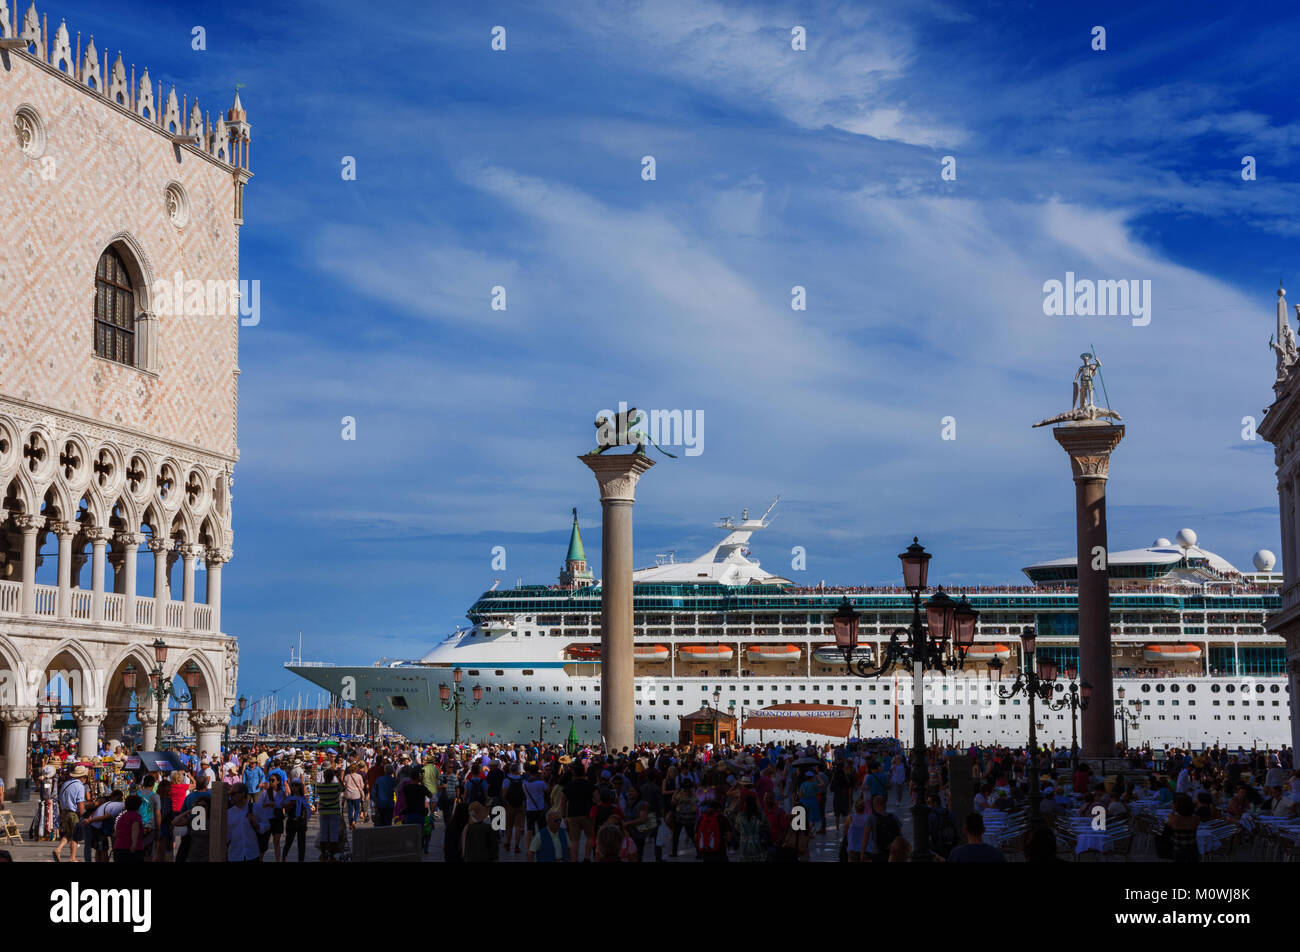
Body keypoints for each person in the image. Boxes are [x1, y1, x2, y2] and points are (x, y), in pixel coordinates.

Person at [53, 764, 89, 863]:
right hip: (73, 813)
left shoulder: (66, 784)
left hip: (64, 812)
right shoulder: (80, 786)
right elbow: (80, 803)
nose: (86, 779)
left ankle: (58, 849)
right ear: (81, 777)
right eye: (85, 777)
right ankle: (72, 858)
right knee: (75, 836)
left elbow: (59, 799)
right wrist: (84, 816)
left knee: (69, 834)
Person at [227, 783, 267, 863]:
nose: (230, 796)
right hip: (235, 856)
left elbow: (267, 825)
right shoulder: (228, 813)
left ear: (242, 794)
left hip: (252, 854)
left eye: (233, 794)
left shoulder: (256, 808)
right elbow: (227, 836)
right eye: (230, 794)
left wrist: (256, 824)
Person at [1164, 794, 1201, 863]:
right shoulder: (1196, 819)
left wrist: (1173, 811)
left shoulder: (1174, 819)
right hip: (1192, 848)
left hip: (1178, 849)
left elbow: (1169, 825)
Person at [281, 779, 312, 862]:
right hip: (291, 822)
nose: (294, 787)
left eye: (296, 785)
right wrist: (290, 804)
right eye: (293, 786)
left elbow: (307, 811)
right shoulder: (289, 798)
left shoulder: (303, 798)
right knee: (288, 842)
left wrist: (306, 821)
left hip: (301, 823)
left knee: (301, 844)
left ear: (300, 787)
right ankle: (284, 857)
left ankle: (301, 859)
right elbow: (285, 809)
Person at [112, 794, 146, 862]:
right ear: (138, 806)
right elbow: (135, 829)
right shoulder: (136, 816)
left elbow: (115, 833)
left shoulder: (122, 817)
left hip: (119, 848)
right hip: (131, 849)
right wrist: (134, 844)